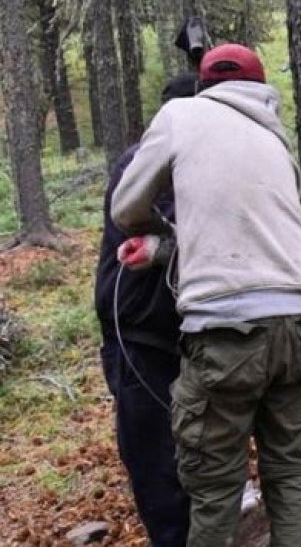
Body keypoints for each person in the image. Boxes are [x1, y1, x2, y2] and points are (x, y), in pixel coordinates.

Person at [110, 44, 301, 547]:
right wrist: (171, 249)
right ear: (261, 86)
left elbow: (126, 207)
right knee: (294, 477)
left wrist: (157, 237)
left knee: (214, 490)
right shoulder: (278, 141)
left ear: (204, 85)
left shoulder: (181, 114)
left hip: (224, 332)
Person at [94, 72, 198, 547]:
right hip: (138, 335)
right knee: (154, 460)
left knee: (193, 449)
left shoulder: (195, 156)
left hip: (181, 331)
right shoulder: (143, 162)